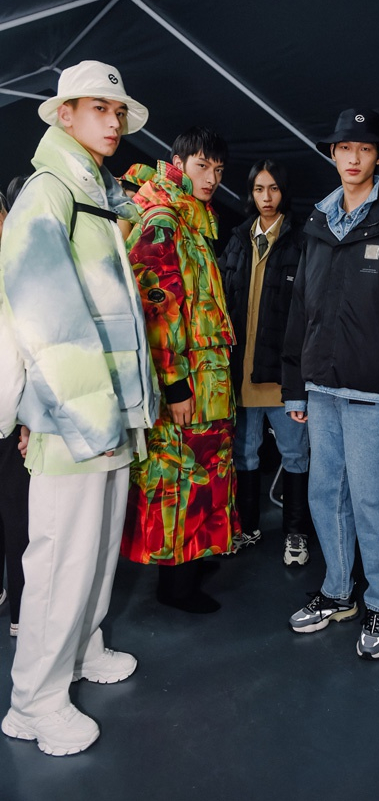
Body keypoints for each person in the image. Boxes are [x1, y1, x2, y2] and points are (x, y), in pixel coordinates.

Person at [0, 60, 158, 756]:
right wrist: (90, 418)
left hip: (109, 413)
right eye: (99, 108)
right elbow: (45, 314)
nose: (113, 121)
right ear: (64, 115)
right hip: (76, 420)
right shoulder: (49, 191)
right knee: (61, 557)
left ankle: (83, 647)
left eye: (118, 111)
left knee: (94, 548)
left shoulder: (95, 194)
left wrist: (122, 411)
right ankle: (33, 702)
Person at [282, 108, 379, 659]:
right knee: (326, 495)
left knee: (378, 502)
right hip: (322, 389)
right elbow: (300, 309)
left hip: (376, 395)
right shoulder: (318, 225)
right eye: (344, 148)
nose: (353, 157)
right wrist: (296, 385)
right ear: (332, 154)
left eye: (364, 148)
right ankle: (337, 592)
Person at [120, 127, 239, 613]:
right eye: (202, 166)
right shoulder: (164, 220)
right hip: (186, 385)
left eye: (218, 170)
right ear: (178, 162)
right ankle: (175, 586)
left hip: (206, 382)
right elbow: (158, 310)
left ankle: (190, 561)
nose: (211, 178)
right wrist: (174, 386)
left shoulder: (192, 219)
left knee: (201, 478)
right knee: (178, 479)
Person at [220, 159, 310, 565]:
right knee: (244, 455)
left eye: (273, 188)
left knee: (295, 455)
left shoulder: (301, 240)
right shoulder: (238, 239)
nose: (266, 197)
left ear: (283, 191)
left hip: (281, 376)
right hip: (242, 372)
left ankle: (296, 533)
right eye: (259, 189)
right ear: (251, 193)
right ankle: (247, 528)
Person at [0, 179, 30, 638]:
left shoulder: (18, 268)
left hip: (12, 415)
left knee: (19, 516)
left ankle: (23, 614)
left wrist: (26, 418)